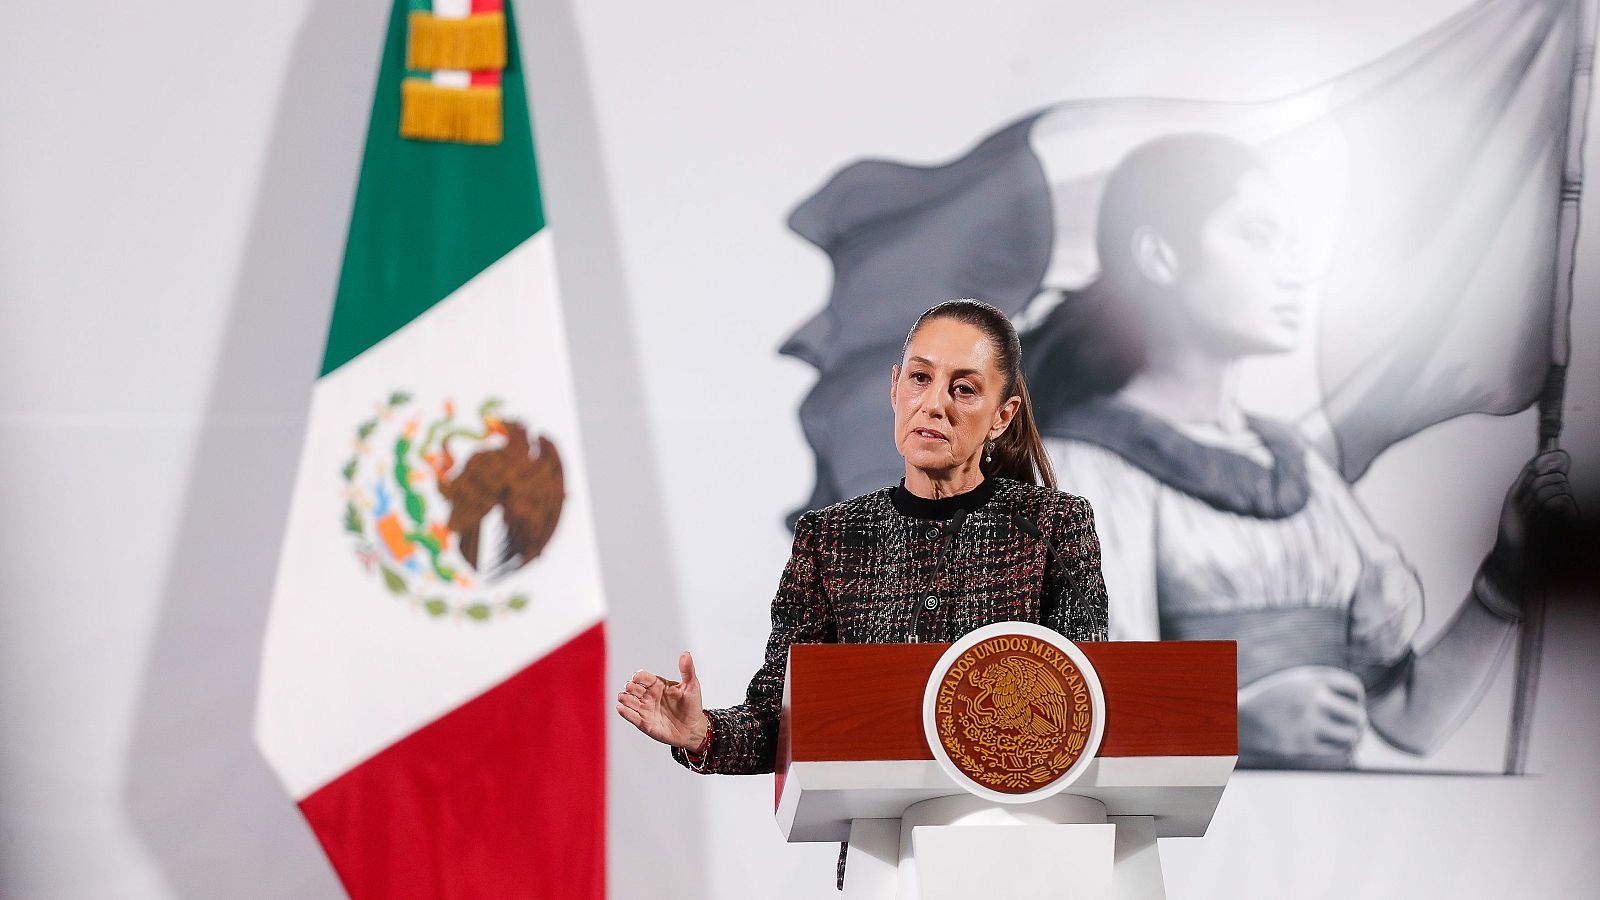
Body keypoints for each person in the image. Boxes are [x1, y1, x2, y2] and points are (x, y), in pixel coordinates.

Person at [1025, 132, 1576, 769]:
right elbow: (1062, 722)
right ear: (1160, 256)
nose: (1292, 271)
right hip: (1188, 850)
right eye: (1257, 237)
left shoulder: (1302, 469)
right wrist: (1225, 724)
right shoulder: (1083, 470)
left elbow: (1407, 718)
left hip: (1322, 847)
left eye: (1291, 244)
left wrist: (1508, 574)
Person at [616, 299, 1110, 781]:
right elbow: (781, 718)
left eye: (963, 389)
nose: (934, 404)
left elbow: (1080, 702)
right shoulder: (830, 540)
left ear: (1002, 416)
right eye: (920, 378)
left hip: (1021, 833)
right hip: (886, 850)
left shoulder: (1051, 527)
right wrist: (701, 731)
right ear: (895, 388)